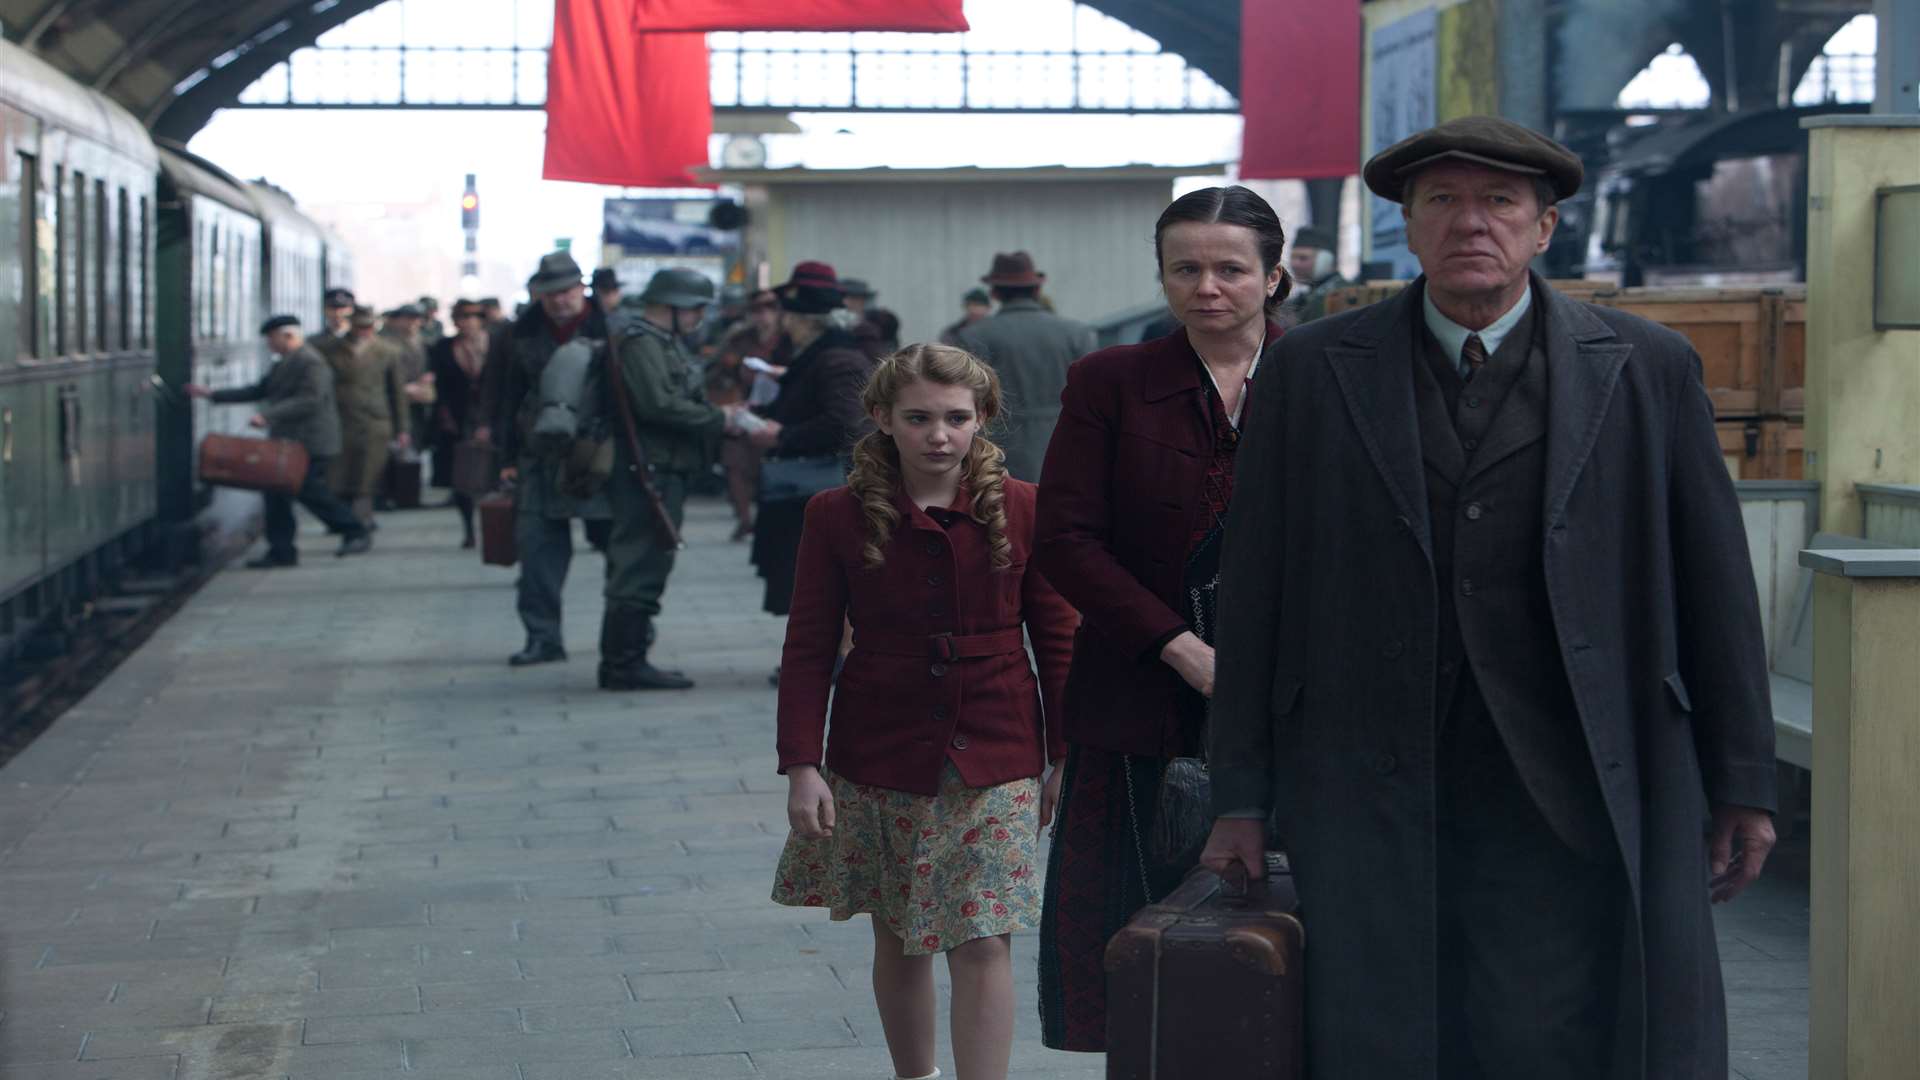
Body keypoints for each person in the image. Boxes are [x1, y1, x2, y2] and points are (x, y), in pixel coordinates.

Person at [1201, 116, 1779, 1079]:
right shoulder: (1311, 370)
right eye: (1444, 202)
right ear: (1410, 227)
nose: (1473, 223)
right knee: (1378, 1027)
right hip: (1365, 770)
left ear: (1545, 228)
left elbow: (1715, 584)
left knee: (1540, 1030)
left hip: (1567, 773)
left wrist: (1743, 780)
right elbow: (1257, 589)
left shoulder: (1643, 368)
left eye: (1500, 202)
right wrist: (1241, 795)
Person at [771, 344, 1077, 1080]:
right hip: (881, 750)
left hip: (998, 748)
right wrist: (801, 766)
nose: (938, 434)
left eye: (956, 417)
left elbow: (1060, 639)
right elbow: (809, 646)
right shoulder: (835, 515)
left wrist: (1069, 753)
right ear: (882, 419)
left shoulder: (1028, 508)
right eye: (918, 418)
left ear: (982, 420)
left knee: (983, 937)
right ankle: (917, 1076)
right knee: (901, 933)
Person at [1030, 186, 1290, 1053]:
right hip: (1137, 698)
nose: (1207, 286)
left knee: (1278, 947)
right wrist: (1182, 651)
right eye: (1186, 268)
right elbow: (1066, 541)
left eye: (1230, 268)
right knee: (1136, 949)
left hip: (1298, 703)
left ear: (1275, 276)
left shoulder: (1324, 378)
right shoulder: (1111, 382)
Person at [599, 268, 731, 691]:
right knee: (640, 560)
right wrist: (720, 418)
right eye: (693, 308)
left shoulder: (661, 342)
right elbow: (657, 405)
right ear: (669, 306)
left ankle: (629, 656)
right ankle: (623, 662)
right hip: (646, 470)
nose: (698, 317)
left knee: (651, 558)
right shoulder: (642, 344)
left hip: (662, 467)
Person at [484, 251, 615, 667]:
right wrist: (504, 458)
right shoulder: (517, 334)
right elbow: (503, 399)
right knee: (538, 552)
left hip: (602, 456)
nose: (560, 301)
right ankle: (543, 638)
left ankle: (625, 638)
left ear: (582, 289)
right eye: (551, 293)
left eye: (568, 291)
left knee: (621, 549)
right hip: (539, 456)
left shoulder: (615, 329)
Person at [747, 262, 873, 634]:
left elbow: (843, 422)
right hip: (805, 484)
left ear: (806, 320)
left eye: (790, 315)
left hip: (817, 482)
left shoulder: (837, 358)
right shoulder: (822, 354)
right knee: (809, 575)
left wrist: (782, 435)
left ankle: (831, 656)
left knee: (821, 577)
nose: (785, 322)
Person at [185, 316, 371, 565]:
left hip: (310, 441)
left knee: (308, 491)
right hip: (292, 442)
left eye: (272, 339)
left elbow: (311, 399)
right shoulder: (286, 362)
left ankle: (353, 530)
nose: (269, 344)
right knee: (277, 494)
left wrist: (268, 415)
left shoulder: (310, 362)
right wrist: (212, 394)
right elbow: (260, 390)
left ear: (288, 336)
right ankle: (282, 551)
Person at [956, 252, 1097, 483]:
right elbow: (1094, 396)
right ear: (1037, 290)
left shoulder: (974, 336)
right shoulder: (1077, 334)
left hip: (1001, 445)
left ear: (994, 293)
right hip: (1067, 442)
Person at [711, 288, 786, 541]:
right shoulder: (740, 339)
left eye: (769, 308)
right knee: (734, 465)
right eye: (757, 309)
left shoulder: (787, 338)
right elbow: (717, 372)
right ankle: (744, 519)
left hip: (778, 412)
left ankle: (765, 520)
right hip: (742, 408)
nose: (763, 315)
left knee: (765, 469)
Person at [324, 306, 406, 527]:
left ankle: (363, 518)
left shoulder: (388, 351)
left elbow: (397, 392)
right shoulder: (332, 349)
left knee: (368, 473)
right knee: (340, 474)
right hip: (342, 419)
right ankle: (345, 519)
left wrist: (402, 429)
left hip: (375, 420)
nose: (364, 332)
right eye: (360, 327)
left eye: (368, 327)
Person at [426, 298, 491, 547]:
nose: (467, 323)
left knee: (493, 475)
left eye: (472, 318)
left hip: (492, 416)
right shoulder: (444, 348)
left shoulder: (495, 344)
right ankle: (469, 529)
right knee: (462, 477)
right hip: (458, 417)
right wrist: (444, 416)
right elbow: (439, 385)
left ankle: (495, 525)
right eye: (462, 318)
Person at [1278, 224, 1349, 323]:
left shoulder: (1341, 294)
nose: (1295, 264)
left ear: (1325, 260)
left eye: (1303, 258)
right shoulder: (1309, 296)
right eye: (1293, 257)